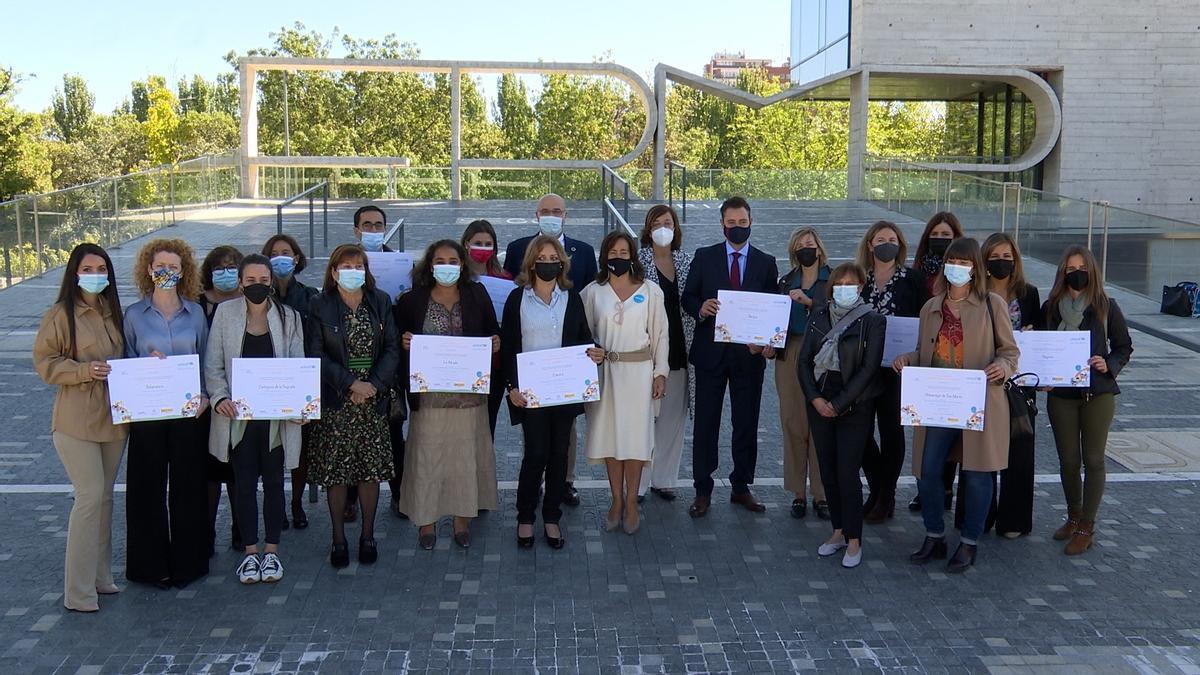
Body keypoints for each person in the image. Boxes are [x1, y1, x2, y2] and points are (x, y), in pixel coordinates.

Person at [894, 237, 1019, 573]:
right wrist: (908, 358)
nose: (958, 269)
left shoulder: (992, 304)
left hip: (979, 402)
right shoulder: (931, 307)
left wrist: (1002, 368)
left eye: (966, 263)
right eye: (954, 262)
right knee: (927, 470)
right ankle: (935, 534)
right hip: (937, 403)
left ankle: (969, 542)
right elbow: (925, 351)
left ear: (975, 268)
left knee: (978, 474)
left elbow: (1010, 352)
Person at [33, 244, 128, 612]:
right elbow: (45, 363)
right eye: (88, 267)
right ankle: (78, 592)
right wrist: (83, 371)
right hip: (75, 421)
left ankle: (100, 578)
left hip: (113, 419)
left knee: (104, 500)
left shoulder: (112, 312)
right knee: (88, 497)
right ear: (75, 272)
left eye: (101, 267)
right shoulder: (60, 314)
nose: (95, 273)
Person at [205, 254, 305, 584]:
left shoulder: (289, 318)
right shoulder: (224, 314)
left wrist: (301, 406)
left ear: (271, 282)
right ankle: (250, 554)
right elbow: (213, 364)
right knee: (244, 484)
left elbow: (298, 366)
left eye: (263, 280)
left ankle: (272, 551)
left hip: (276, 420)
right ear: (240, 282)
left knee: (276, 484)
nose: (257, 286)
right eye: (250, 281)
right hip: (238, 420)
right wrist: (219, 397)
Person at [395, 240, 500, 550]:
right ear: (430, 264)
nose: (446, 265)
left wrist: (495, 342)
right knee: (427, 460)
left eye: (453, 260)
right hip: (429, 399)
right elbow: (396, 336)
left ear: (462, 265)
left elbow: (493, 331)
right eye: (440, 260)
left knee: (463, 462)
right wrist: (404, 342)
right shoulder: (413, 300)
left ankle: (461, 520)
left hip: (469, 398)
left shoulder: (476, 295)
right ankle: (426, 523)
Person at [501, 235, 604, 549]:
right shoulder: (517, 299)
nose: (548, 263)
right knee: (535, 454)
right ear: (532, 263)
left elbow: (583, 338)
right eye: (542, 258)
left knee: (559, 455)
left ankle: (551, 516)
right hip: (530, 394)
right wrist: (511, 388)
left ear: (562, 262)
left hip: (563, 392)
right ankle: (525, 517)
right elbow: (507, 347)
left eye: (553, 258)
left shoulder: (572, 298)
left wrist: (594, 352)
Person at [683, 196, 779, 517]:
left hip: (748, 358)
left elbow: (773, 309)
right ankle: (702, 489)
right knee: (706, 424)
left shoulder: (766, 262)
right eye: (731, 222)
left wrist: (767, 341)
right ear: (722, 223)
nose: (737, 227)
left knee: (746, 423)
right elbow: (688, 296)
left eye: (743, 222)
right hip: (711, 354)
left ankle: (741, 486)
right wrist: (700, 308)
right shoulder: (704, 256)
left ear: (751, 222)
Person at [122, 238, 210, 588]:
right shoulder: (133, 315)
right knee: (146, 488)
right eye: (160, 266)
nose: (166, 272)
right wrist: (145, 367)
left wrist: (204, 396)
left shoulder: (197, 313)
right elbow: (125, 360)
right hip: (147, 413)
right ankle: (149, 565)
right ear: (148, 269)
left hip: (189, 413)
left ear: (183, 271)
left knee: (188, 488)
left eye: (173, 267)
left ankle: (190, 563)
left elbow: (205, 360)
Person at [306, 244, 399, 568]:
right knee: (337, 472)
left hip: (372, 398)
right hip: (337, 399)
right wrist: (349, 384)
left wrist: (373, 384)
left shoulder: (380, 301)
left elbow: (392, 349)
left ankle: (368, 535)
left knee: (369, 470)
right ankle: (338, 539)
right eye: (345, 266)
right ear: (333, 272)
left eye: (358, 266)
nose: (353, 271)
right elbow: (316, 353)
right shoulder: (320, 304)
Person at [1042, 245, 1132, 555]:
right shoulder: (1051, 307)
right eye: (1069, 268)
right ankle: (1073, 514)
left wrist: (1110, 363)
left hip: (1098, 394)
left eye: (1081, 267)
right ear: (1062, 273)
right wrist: (1043, 376)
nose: (1076, 273)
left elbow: (1123, 346)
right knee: (1068, 460)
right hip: (1062, 396)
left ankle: (1087, 525)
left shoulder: (1106, 306)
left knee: (1093, 459)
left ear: (1091, 270)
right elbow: (1042, 347)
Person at [797, 263, 885, 569]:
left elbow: (869, 369)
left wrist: (838, 404)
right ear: (831, 287)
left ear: (861, 286)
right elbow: (804, 363)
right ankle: (838, 530)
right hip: (820, 399)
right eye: (840, 283)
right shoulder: (818, 315)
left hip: (855, 404)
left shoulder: (872, 320)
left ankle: (854, 539)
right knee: (828, 469)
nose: (845, 288)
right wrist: (816, 399)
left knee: (848, 472)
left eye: (852, 283)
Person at [582, 231, 670, 535]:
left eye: (624, 252)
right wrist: (588, 353)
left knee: (634, 440)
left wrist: (661, 372)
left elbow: (661, 335)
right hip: (606, 375)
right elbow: (582, 333)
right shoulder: (593, 292)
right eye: (613, 252)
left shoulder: (651, 291)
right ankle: (615, 500)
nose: (618, 257)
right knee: (610, 438)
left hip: (639, 373)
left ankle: (632, 501)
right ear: (605, 255)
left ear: (633, 256)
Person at [855, 221, 928, 522]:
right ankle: (876, 488)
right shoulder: (860, 279)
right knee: (859, 432)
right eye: (881, 239)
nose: (887, 243)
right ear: (870, 244)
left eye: (893, 239)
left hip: (898, 369)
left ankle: (886, 496)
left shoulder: (913, 279)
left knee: (891, 432)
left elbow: (924, 320)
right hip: (862, 367)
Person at [982, 233, 1042, 539]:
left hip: (1019, 384)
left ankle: (1014, 520)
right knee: (981, 452)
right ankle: (980, 516)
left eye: (1007, 256)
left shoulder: (1029, 293)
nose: (1002, 262)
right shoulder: (975, 292)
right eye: (995, 256)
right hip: (983, 381)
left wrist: (1031, 333)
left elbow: (1042, 336)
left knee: (1019, 451)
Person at [635, 205, 694, 504]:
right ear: (647, 229)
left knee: (673, 420)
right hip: (647, 352)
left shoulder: (687, 260)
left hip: (681, 349)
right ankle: (640, 483)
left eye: (667, 222)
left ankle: (664, 479)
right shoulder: (637, 262)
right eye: (656, 223)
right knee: (645, 420)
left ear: (676, 228)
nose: (662, 227)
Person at [262, 234, 321, 529]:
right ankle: (277, 506)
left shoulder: (311, 296)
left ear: (297, 258)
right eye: (274, 253)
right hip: (264, 384)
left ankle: (297, 502)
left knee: (300, 449)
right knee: (272, 450)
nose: (281, 258)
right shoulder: (258, 296)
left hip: (301, 382)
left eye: (286, 252)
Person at [775, 227, 831, 520]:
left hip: (823, 354)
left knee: (820, 422)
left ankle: (821, 493)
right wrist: (767, 344)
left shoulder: (833, 280)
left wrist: (810, 303)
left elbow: (839, 312)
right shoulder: (785, 282)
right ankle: (798, 491)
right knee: (793, 421)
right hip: (791, 351)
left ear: (819, 248)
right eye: (799, 245)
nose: (805, 249)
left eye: (809, 244)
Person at [197, 245, 245, 552]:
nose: (226, 272)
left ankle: (242, 529)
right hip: (204, 400)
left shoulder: (250, 302)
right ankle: (206, 530)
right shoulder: (196, 304)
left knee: (240, 469)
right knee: (211, 469)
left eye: (232, 267)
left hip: (242, 399)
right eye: (219, 267)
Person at [461, 219, 513, 438]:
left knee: (487, 422)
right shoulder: (457, 278)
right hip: (464, 360)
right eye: (477, 243)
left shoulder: (506, 279)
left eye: (487, 244)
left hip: (495, 362)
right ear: (465, 244)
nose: (482, 248)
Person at [913, 212, 965, 296]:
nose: (939, 237)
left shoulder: (964, 269)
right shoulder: (919, 270)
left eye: (945, 234)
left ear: (956, 237)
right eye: (934, 234)